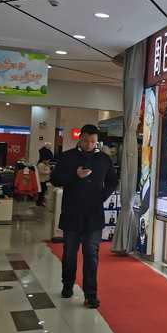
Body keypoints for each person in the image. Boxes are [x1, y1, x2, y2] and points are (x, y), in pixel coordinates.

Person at [50, 124, 118, 309]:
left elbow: (112, 181)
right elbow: (55, 179)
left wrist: (102, 196)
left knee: (91, 255)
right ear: (80, 138)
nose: (89, 145)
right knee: (69, 254)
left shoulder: (104, 159)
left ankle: (91, 295)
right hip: (72, 213)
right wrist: (75, 175)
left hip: (93, 215)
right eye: (86, 141)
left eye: (93, 142)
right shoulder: (68, 157)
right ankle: (67, 284)